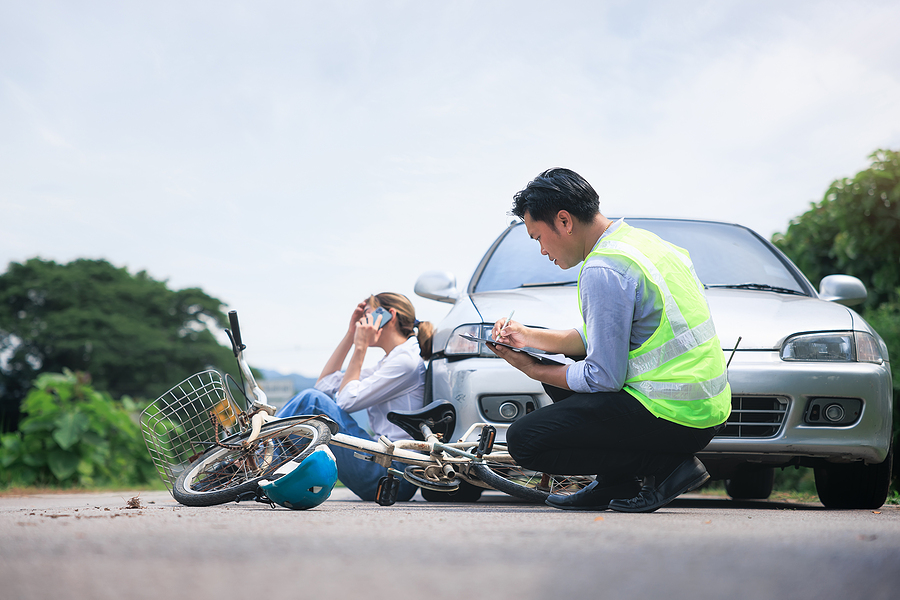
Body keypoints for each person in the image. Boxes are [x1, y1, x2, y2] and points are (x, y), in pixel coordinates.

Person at [489, 168, 731, 513]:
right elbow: (606, 337)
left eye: (538, 237)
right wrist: (528, 336)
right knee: (567, 381)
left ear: (564, 221)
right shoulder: (643, 245)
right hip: (705, 409)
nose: (541, 250)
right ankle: (615, 482)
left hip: (673, 414)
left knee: (525, 441)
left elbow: (603, 376)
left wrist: (533, 368)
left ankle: (667, 469)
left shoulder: (604, 269)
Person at [276, 292, 434, 502]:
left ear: (389, 315)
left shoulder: (406, 361)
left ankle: (251, 460)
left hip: (394, 473)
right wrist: (351, 335)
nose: (362, 323)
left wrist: (360, 346)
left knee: (311, 401)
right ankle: (257, 463)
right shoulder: (391, 361)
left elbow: (345, 401)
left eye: (367, 315)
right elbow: (324, 386)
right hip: (385, 465)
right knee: (312, 400)